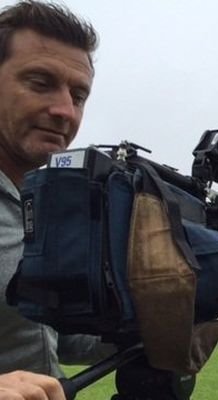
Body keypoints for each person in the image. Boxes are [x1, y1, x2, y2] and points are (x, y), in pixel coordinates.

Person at [0, 1, 113, 397]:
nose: (65, 110)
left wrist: (167, 325)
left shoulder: (46, 206)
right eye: (40, 82)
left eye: (78, 95)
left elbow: (51, 337)